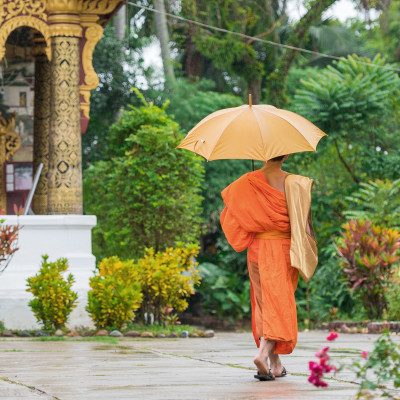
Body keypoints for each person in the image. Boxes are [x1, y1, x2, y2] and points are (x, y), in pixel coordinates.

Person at [220, 155, 318, 381]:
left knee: (265, 302)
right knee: (279, 303)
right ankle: (263, 354)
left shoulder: (247, 181)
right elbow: (304, 224)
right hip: (283, 248)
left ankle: (275, 365)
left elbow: (231, 217)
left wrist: (255, 208)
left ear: (261, 156)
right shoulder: (296, 182)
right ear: (287, 154)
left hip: (256, 248)